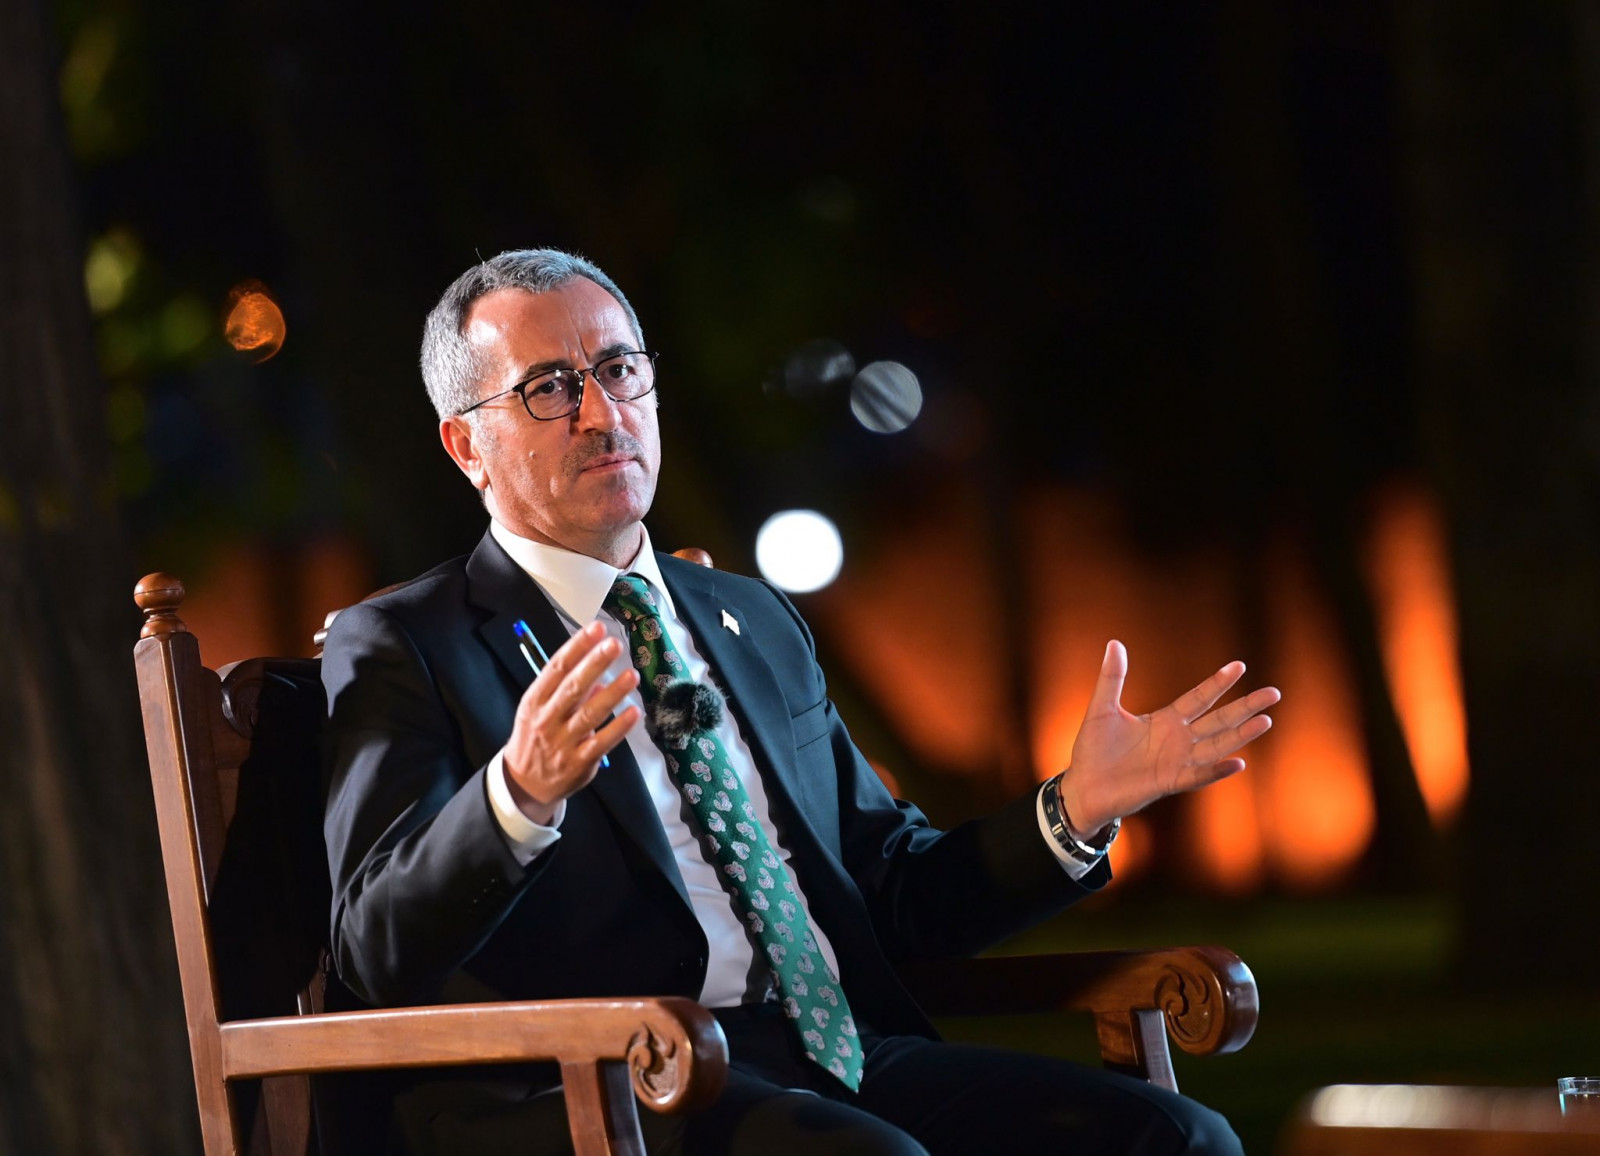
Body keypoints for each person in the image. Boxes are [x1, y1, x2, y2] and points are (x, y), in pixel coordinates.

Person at [321, 248, 1279, 1155]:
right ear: (467, 445)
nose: (602, 413)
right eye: (549, 388)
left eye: (618, 370)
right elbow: (374, 950)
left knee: (1176, 1139)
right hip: (608, 1087)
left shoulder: (752, 620)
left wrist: (1075, 809)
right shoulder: (410, 644)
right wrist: (517, 796)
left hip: (837, 1058)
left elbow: (893, 893)